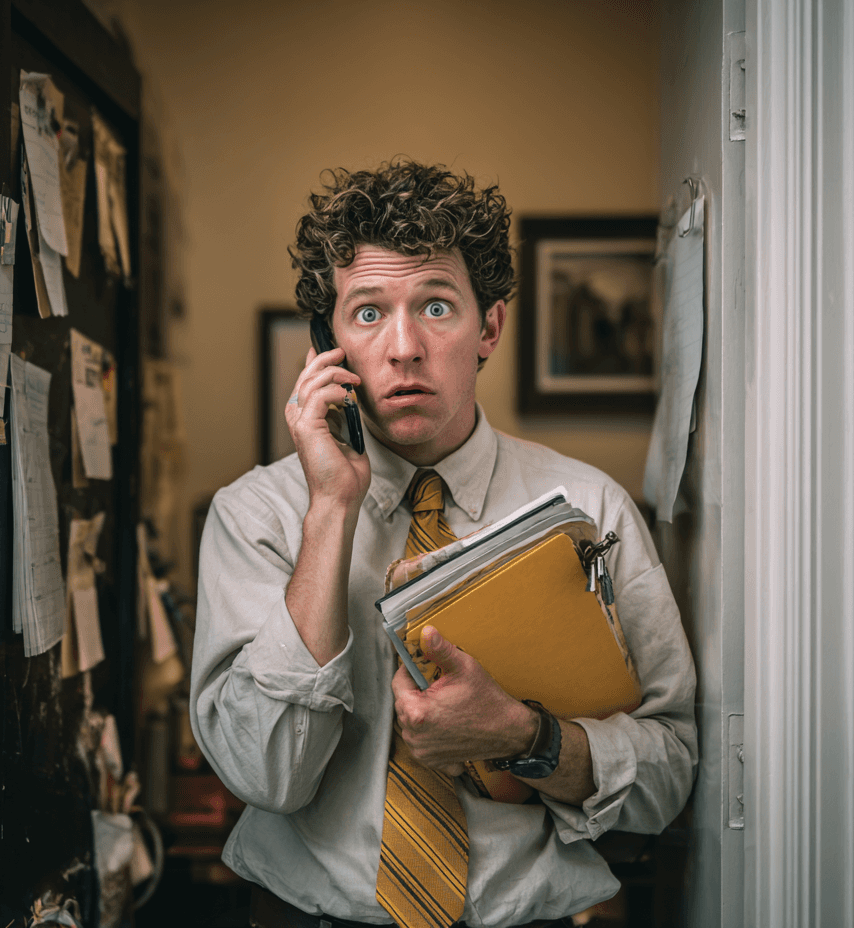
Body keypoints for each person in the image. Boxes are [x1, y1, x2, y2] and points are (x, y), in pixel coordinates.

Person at [190, 160, 696, 928]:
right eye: (367, 313)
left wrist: (527, 738)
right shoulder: (255, 515)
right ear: (328, 344)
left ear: (488, 328)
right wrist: (330, 509)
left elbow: (671, 776)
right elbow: (268, 777)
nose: (403, 347)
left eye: (435, 306)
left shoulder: (592, 510)